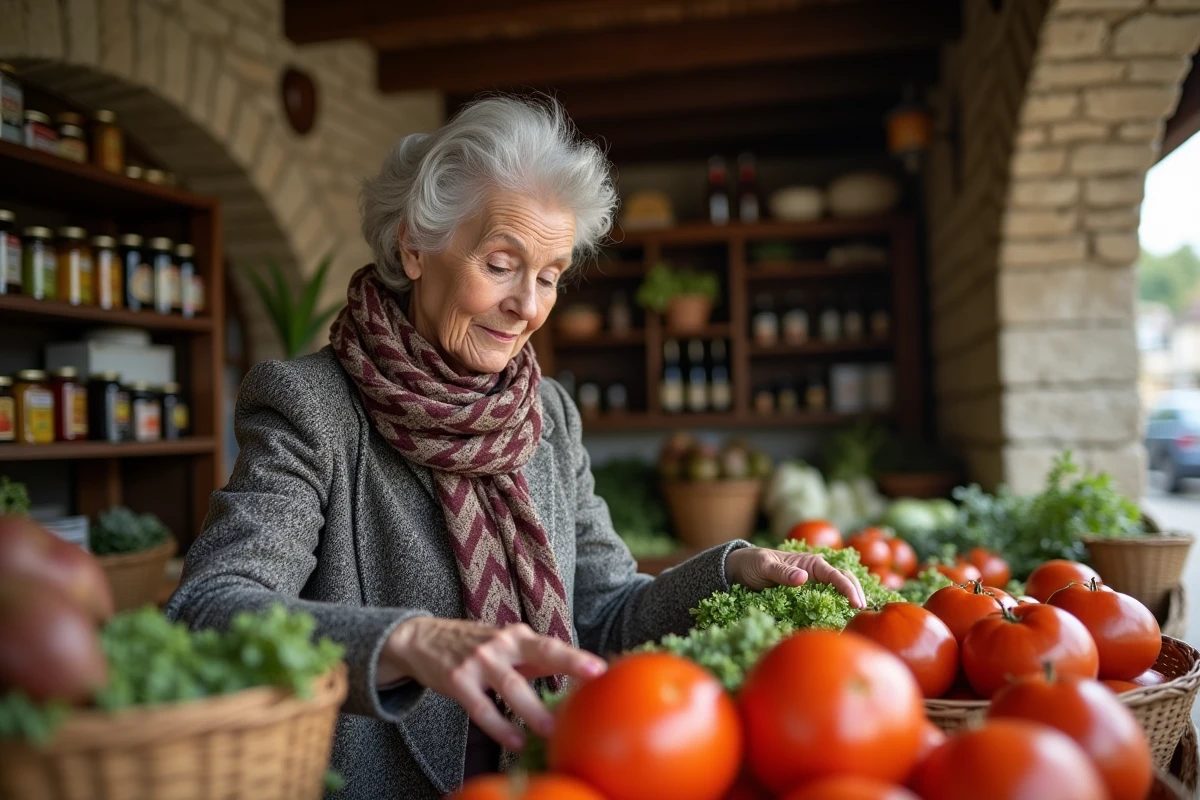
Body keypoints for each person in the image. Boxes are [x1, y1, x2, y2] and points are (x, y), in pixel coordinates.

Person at [166, 96, 865, 799]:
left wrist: (731, 570)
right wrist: (407, 641)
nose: (527, 305)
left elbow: (604, 612)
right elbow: (208, 607)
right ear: (414, 245)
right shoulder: (313, 408)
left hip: (550, 780)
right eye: (501, 264)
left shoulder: (548, 415)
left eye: (550, 275)